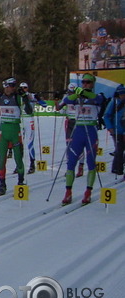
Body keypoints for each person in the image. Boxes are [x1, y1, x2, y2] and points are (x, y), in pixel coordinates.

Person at [60, 73, 106, 205]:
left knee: (91, 163)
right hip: (78, 131)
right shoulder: (77, 96)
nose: (85, 84)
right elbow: (67, 100)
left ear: (92, 84)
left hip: (91, 131)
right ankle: (68, 192)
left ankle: (88, 192)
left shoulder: (97, 96)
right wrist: (77, 94)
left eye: (88, 83)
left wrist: (85, 93)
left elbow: (98, 99)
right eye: (83, 83)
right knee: (71, 163)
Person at [0, 78, 29, 196]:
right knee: (1, 160)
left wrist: (25, 97)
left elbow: (29, 111)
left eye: (14, 86)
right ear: (5, 86)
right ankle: (2, 185)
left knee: (18, 159)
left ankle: (20, 182)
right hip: (3, 131)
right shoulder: (0, 97)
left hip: (15, 131)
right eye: (10, 86)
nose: (12, 88)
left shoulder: (18, 97)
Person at [18, 82, 47, 173]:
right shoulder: (18, 96)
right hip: (20, 120)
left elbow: (44, 105)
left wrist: (37, 99)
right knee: (18, 144)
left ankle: (32, 164)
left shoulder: (32, 95)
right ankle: (19, 165)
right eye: (22, 88)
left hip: (29, 120)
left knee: (30, 143)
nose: (23, 89)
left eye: (25, 88)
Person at [103, 84, 125, 177]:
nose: (123, 96)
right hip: (117, 130)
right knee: (119, 150)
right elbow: (107, 115)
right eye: (121, 94)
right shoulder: (114, 102)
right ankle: (117, 169)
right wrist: (110, 128)